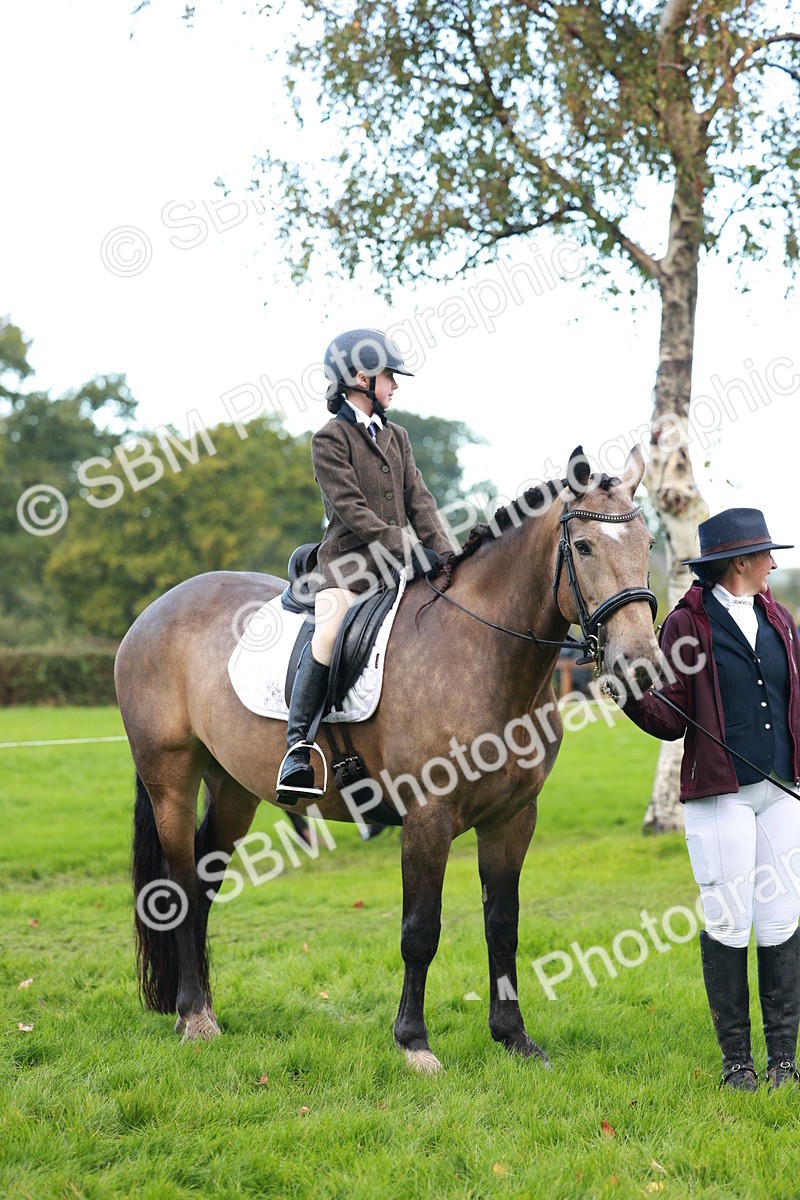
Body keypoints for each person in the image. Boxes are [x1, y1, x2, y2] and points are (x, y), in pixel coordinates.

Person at [620, 508, 800, 1091]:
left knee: (781, 920)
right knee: (729, 918)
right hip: (721, 796)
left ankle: (782, 1063)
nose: (776, 562)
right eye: (767, 554)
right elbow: (672, 715)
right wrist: (626, 693)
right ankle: (737, 1065)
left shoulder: (781, 618)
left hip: (781, 793)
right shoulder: (687, 624)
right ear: (741, 563)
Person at [276, 328, 453, 800]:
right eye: (388, 376)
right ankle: (298, 748)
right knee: (330, 632)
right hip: (348, 569)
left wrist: (451, 558)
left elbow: (422, 501)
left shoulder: (397, 436)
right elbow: (350, 509)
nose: (394, 386)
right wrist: (405, 546)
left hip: (397, 571)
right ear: (360, 378)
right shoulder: (329, 439)